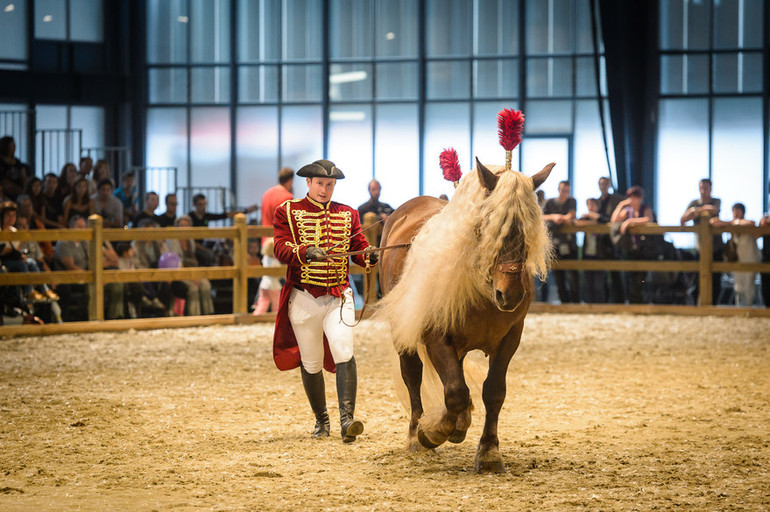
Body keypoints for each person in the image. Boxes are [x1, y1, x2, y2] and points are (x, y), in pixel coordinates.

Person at [272, 159, 377, 443]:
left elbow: (358, 249)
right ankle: (322, 420)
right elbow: (280, 247)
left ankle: (347, 420)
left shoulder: (348, 214)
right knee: (312, 362)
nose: (325, 189)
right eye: (320, 184)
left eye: (329, 185)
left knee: (344, 350)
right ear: (308, 183)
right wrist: (305, 251)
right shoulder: (288, 211)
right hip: (303, 297)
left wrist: (369, 255)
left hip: (338, 296)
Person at [681, 178, 723, 304]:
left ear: (711, 189)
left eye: (706, 188)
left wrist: (695, 211)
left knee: (716, 279)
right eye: (701, 188)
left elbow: (713, 209)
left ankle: (713, 306)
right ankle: (696, 307)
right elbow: (683, 219)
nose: (703, 191)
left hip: (716, 247)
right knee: (697, 279)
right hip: (700, 248)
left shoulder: (716, 200)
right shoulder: (694, 202)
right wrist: (699, 210)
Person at [611, 186, 655, 304]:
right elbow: (614, 220)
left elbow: (648, 219)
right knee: (631, 277)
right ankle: (633, 303)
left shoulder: (646, 209)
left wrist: (630, 221)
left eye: (634, 197)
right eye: (630, 197)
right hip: (631, 248)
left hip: (644, 249)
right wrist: (621, 205)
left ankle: (639, 302)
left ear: (640, 198)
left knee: (640, 278)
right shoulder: (628, 210)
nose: (632, 200)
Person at [711, 203, 760, 306]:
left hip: (749, 260)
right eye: (734, 211)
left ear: (743, 212)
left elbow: (751, 223)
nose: (736, 213)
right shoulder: (732, 227)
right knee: (738, 287)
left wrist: (732, 223)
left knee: (748, 288)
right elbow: (713, 222)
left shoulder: (746, 224)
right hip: (738, 261)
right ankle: (740, 310)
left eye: (738, 210)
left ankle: (748, 310)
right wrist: (731, 223)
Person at [165, 215, 214, 315]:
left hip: (192, 270)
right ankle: (194, 316)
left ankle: (208, 314)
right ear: (177, 227)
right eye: (181, 225)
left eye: (186, 226)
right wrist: (190, 276)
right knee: (193, 288)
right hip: (178, 271)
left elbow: (193, 260)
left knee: (205, 284)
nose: (184, 228)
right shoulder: (172, 241)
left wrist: (194, 274)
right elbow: (175, 262)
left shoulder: (190, 241)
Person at [542, 180, 579, 303]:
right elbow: (541, 216)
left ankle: (575, 302)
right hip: (555, 245)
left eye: (567, 191)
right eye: (563, 190)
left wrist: (560, 218)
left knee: (573, 276)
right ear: (559, 190)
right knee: (558, 277)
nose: (564, 193)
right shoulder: (550, 202)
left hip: (570, 245)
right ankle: (564, 302)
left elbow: (571, 215)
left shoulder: (571, 201)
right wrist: (554, 217)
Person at [596, 177, 625, 303]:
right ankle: (604, 301)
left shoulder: (617, 199)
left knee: (616, 274)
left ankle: (620, 301)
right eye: (601, 184)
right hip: (600, 243)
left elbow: (611, 219)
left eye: (605, 184)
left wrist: (597, 217)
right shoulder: (596, 201)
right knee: (601, 276)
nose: (603, 186)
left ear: (609, 185)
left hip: (614, 242)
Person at [575, 197, 605, 303]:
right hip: (587, 253)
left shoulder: (601, 218)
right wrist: (591, 222)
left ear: (598, 206)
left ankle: (599, 305)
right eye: (589, 205)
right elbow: (576, 223)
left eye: (593, 205)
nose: (591, 207)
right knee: (588, 282)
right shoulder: (585, 218)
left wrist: (592, 217)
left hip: (599, 255)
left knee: (598, 283)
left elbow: (605, 221)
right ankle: (589, 304)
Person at [252, 237, 281, 314]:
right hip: (273, 285)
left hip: (264, 284)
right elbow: (276, 272)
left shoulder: (265, 258)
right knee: (277, 301)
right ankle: (276, 315)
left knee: (263, 301)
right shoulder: (274, 261)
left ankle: (257, 314)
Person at [0, 136, 28, 201]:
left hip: (19, 190)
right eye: (12, 145)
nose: (14, 147)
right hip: (6, 192)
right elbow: (3, 180)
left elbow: (23, 176)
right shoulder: (1, 162)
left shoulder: (17, 162)